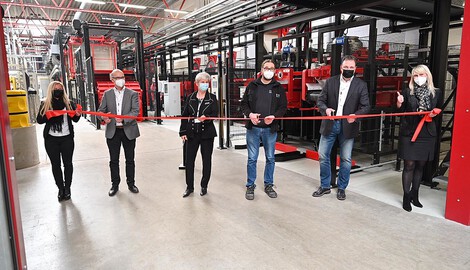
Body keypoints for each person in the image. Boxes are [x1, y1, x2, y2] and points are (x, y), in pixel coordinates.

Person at [312, 55, 370, 200]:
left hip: (348, 126)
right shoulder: (330, 82)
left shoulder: (360, 85)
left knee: (345, 159)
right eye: (346, 67)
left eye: (351, 68)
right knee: (323, 155)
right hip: (330, 124)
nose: (349, 70)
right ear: (341, 68)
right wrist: (325, 110)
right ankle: (325, 186)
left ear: (355, 69)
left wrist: (355, 115)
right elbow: (320, 101)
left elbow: (366, 106)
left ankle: (342, 188)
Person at [241, 59, 287, 200]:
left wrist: (274, 116)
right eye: (266, 68)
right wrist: (250, 115)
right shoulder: (252, 86)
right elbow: (244, 104)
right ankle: (250, 185)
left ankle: (268, 184)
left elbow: (283, 107)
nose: (269, 70)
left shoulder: (278, 87)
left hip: (269, 129)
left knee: (270, 158)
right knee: (252, 159)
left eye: (272, 68)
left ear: (274, 71)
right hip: (253, 128)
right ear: (261, 70)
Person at [396, 64, 440, 212]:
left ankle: (415, 195)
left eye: (422, 75)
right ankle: (406, 196)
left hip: (427, 133)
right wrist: (399, 102)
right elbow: (400, 111)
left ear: (428, 76)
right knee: (409, 165)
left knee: (420, 165)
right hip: (409, 132)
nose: (419, 78)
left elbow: (437, 111)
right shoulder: (408, 92)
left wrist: (433, 114)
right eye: (416, 75)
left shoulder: (435, 93)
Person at [98, 69, 140, 197]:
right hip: (113, 132)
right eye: (117, 77)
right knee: (114, 160)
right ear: (112, 80)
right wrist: (104, 118)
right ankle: (115, 184)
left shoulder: (132, 93)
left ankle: (131, 183)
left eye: (122, 77)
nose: (121, 79)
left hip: (129, 131)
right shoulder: (107, 94)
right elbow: (101, 111)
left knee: (130, 160)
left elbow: (135, 111)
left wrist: (124, 118)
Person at [37, 81, 81, 202]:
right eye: (56, 89)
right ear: (51, 90)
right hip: (51, 140)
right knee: (55, 165)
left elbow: (75, 119)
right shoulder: (45, 104)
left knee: (68, 164)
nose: (58, 91)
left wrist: (77, 114)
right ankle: (60, 188)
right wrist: (48, 115)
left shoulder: (68, 103)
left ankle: (67, 188)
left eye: (60, 89)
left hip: (67, 138)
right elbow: (39, 120)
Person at [179, 72, 218, 197]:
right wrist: (183, 131)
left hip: (207, 134)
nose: (205, 84)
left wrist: (206, 118)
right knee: (189, 161)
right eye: (202, 82)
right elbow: (184, 115)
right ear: (196, 84)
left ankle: (204, 186)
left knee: (206, 160)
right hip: (192, 133)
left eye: (207, 82)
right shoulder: (190, 98)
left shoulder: (212, 98)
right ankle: (189, 187)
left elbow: (215, 114)